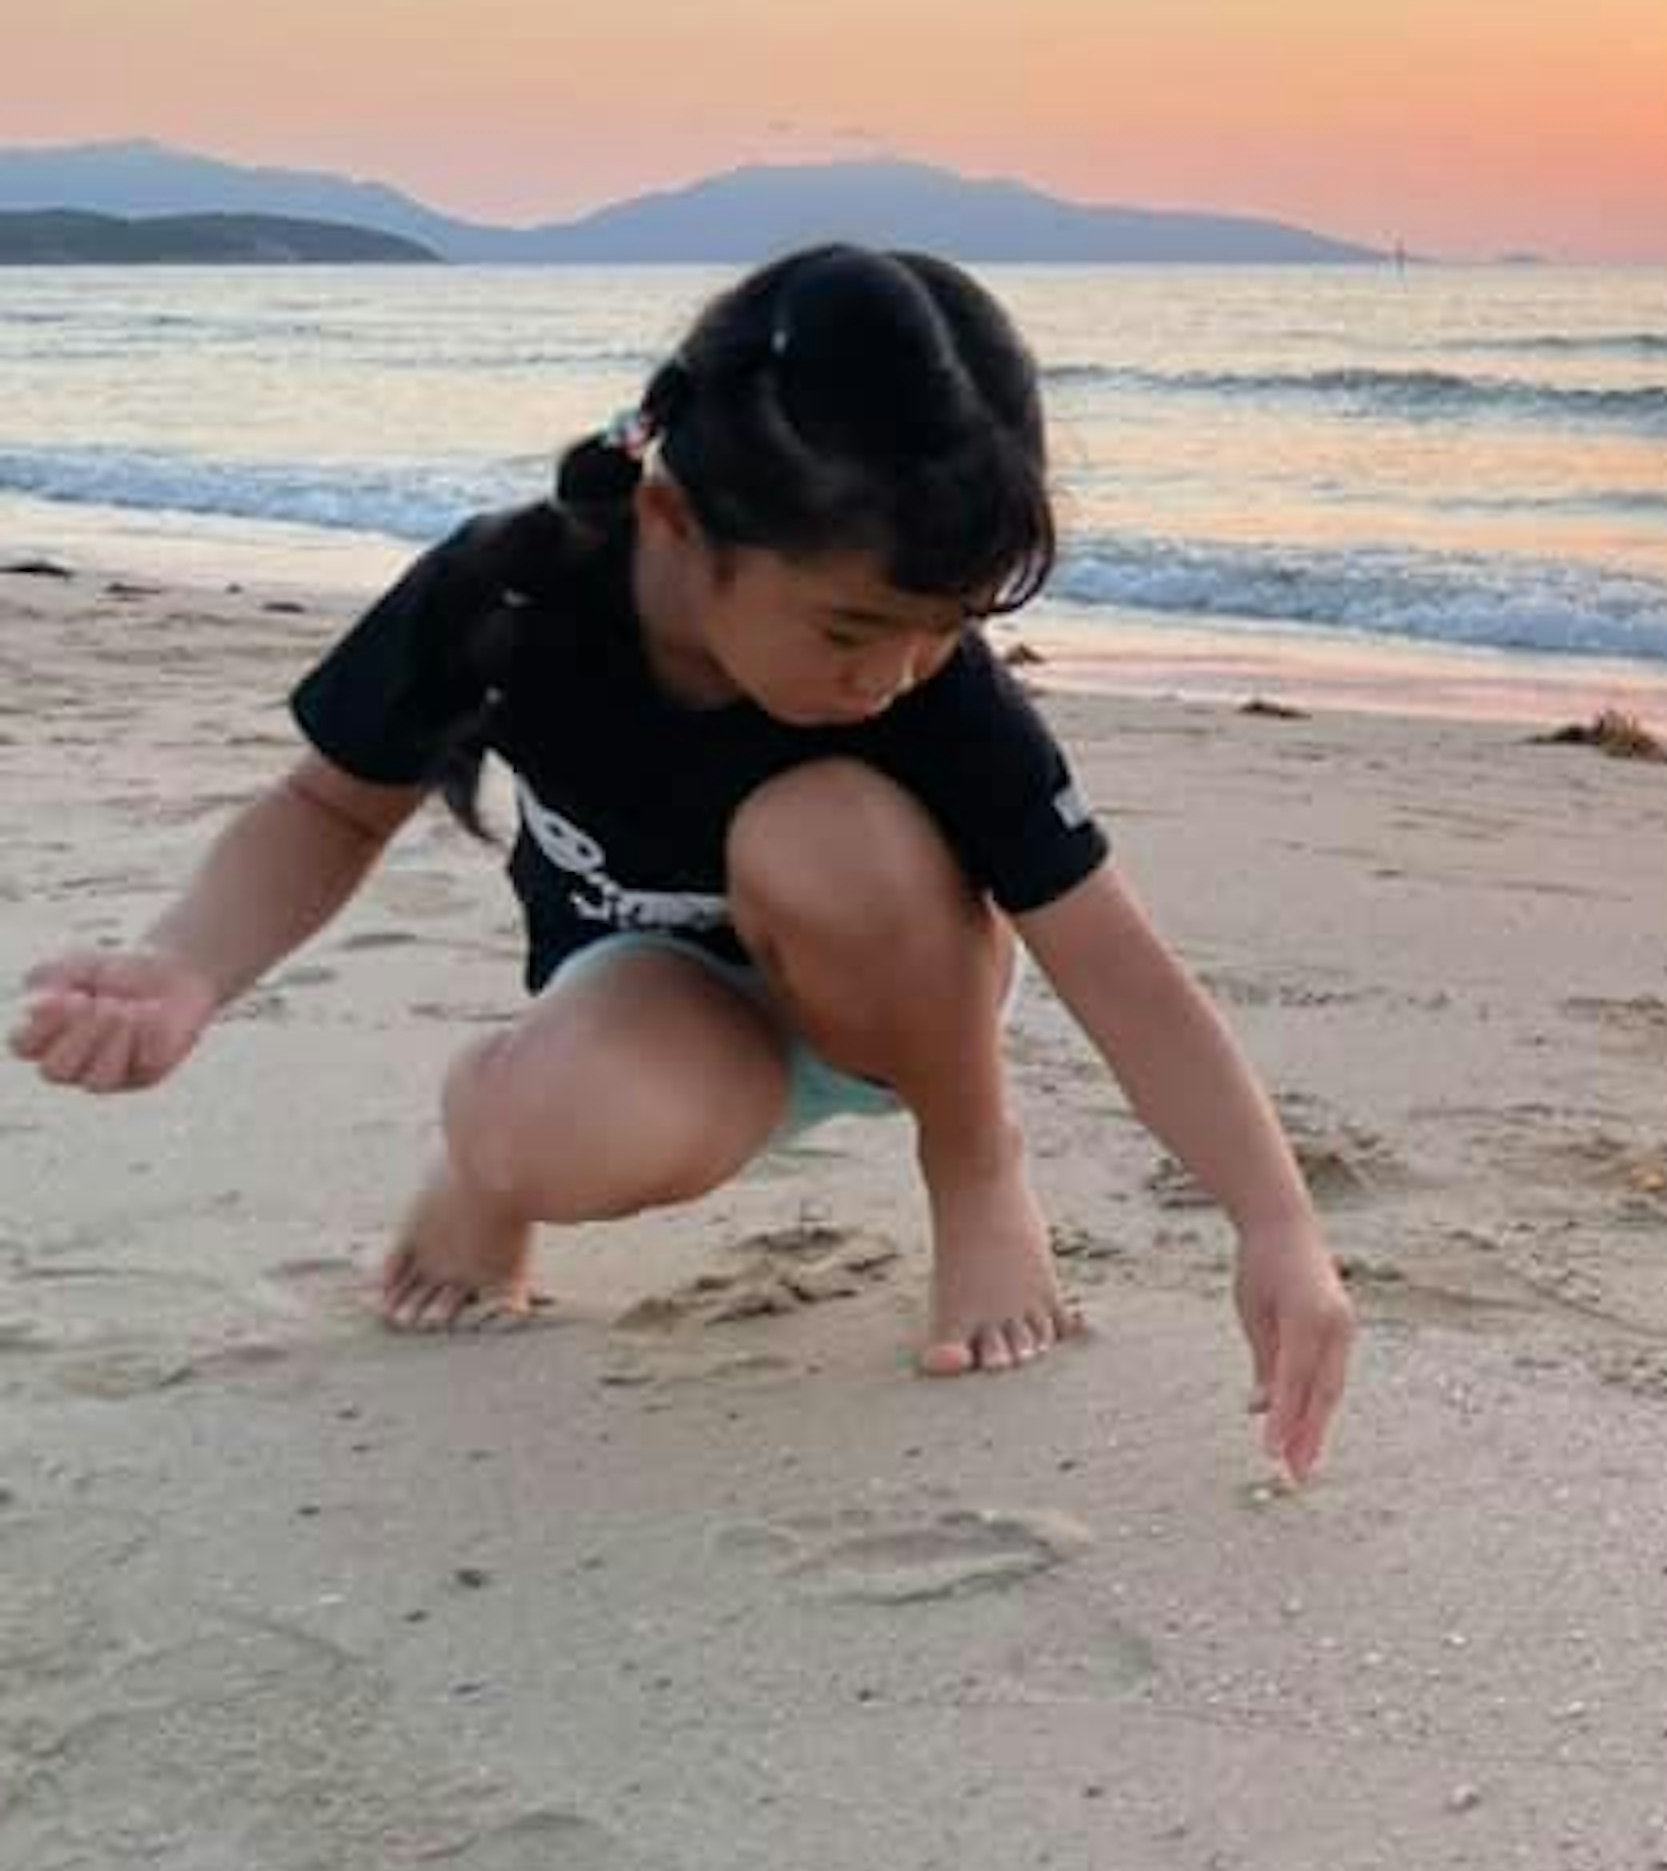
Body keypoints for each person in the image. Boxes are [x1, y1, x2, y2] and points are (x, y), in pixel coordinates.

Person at [9, 243, 1354, 1481]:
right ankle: (486, 1166)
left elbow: (1115, 963)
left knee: (826, 824)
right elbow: (330, 810)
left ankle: (974, 1163)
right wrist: (185, 969)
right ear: (670, 520)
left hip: (896, 990)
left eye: (939, 632)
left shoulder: (927, 687)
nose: (892, 676)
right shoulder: (510, 596)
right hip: (656, 1000)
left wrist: (1276, 1223)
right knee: (529, 1134)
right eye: (850, 628)